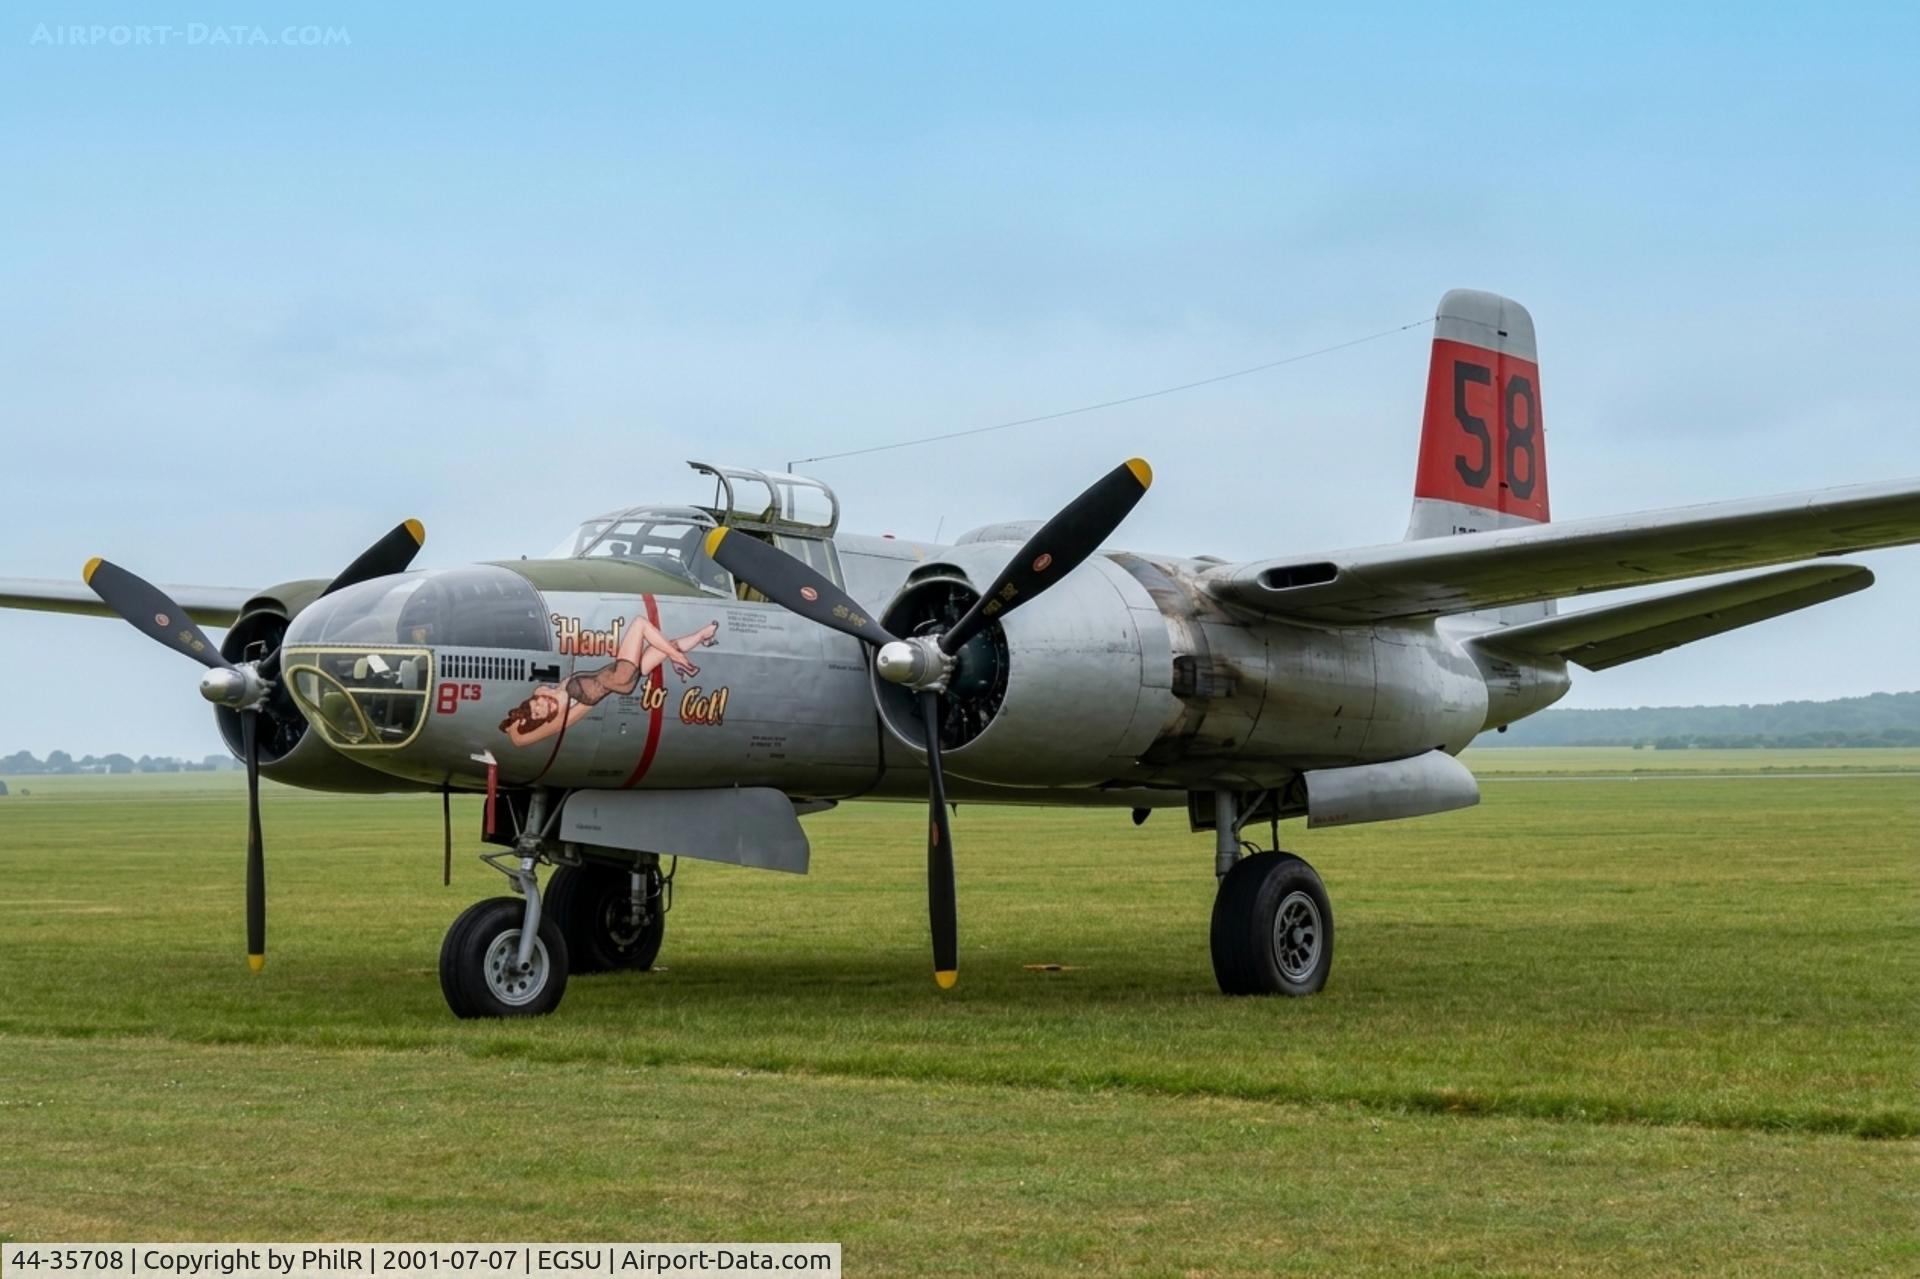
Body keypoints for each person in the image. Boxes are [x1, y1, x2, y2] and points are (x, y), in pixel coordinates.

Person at [499, 615, 719, 747]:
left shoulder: (548, 692)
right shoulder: (565, 715)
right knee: (640, 624)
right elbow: (521, 741)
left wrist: (519, 717)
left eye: (534, 705)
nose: (540, 707)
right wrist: (516, 731)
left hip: (619, 676)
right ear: (544, 720)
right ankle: (680, 660)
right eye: (538, 714)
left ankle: (701, 636)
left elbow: (539, 693)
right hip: (618, 677)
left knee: (663, 645)